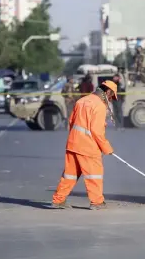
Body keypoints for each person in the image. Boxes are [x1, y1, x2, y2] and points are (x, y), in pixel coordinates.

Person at [51, 80, 118, 210]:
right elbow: (96, 130)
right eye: (111, 96)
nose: (110, 99)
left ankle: (58, 200)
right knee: (94, 174)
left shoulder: (81, 101)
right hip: (88, 147)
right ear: (107, 92)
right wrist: (107, 148)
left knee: (69, 175)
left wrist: (74, 139)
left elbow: (71, 122)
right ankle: (97, 202)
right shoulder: (99, 106)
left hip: (73, 143)